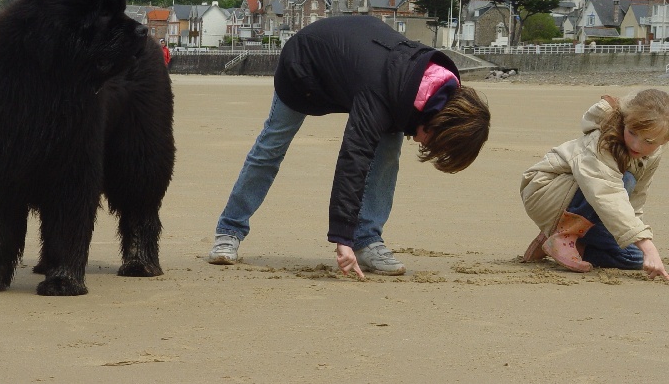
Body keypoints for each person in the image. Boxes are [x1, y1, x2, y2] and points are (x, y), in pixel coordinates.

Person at [206, 16, 491, 278]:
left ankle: (367, 240)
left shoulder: (433, 90)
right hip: (304, 66)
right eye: (435, 143)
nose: (422, 144)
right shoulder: (380, 91)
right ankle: (229, 230)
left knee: (388, 152)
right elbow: (354, 159)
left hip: (355, 71)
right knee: (271, 147)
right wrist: (342, 239)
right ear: (436, 123)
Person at [520, 89, 669, 280]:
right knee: (625, 180)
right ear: (625, 119)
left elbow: (636, 198)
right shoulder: (603, 139)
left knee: (634, 257)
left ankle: (571, 245)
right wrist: (648, 245)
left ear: (664, 141)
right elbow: (606, 193)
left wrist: (637, 236)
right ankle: (565, 235)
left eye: (648, 141)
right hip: (546, 191)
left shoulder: (652, 154)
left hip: (592, 203)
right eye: (632, 132)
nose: (636, 145)